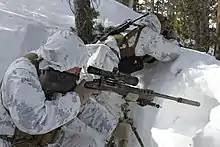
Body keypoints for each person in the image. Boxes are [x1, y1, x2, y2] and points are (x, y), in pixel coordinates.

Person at [0, 29, 117, 147]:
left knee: (89, 142)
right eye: (76, 68)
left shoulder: (51, 72)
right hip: (8, 140)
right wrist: (77, 98)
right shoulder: (20, 75)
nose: (78, 72)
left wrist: (114, 128)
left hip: (36, 138)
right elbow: (33, 121)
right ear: (62, 63)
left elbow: (82, 106)